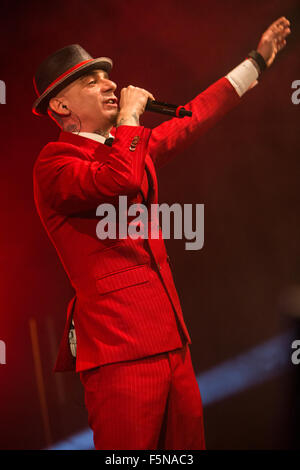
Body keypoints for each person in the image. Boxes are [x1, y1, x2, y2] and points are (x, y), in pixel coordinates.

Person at [32, 17, 290, 450]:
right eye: (92, 81)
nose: (110, 84)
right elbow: (119, 181)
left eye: (107, 77)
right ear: (61, 106)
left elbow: (196, 116)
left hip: (172, 341)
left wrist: (257, 62)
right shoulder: (53, 165)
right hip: (120, 353)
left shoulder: (127, 148)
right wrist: (131, 119)